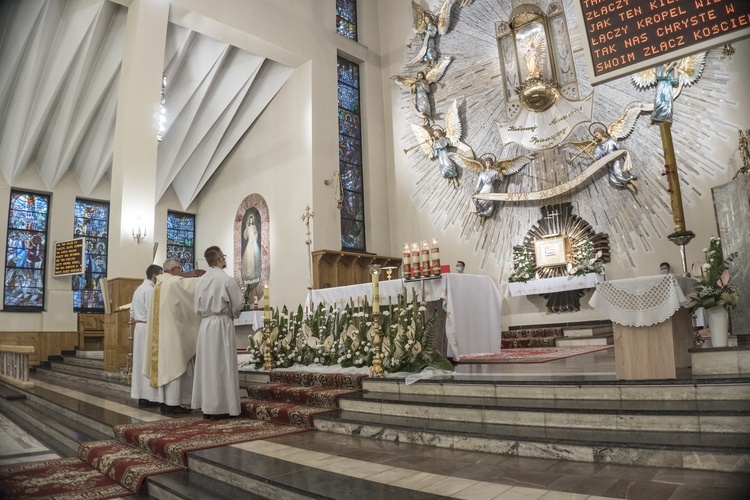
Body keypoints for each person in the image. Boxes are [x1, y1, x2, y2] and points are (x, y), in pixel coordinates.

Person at [192, 246, 244, 420]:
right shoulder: (226, 280)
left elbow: (196, 306)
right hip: (222, 324)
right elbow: (237, 304)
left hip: (206, 325)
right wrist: (233, 313)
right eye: (224, 256)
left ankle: (208, 406)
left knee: (208, 365)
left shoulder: (202, 280)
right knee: (223, 365)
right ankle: (223, 406)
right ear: (220, 259)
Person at [144, 258, 200, 414]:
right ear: (174, 269)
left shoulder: (159, 285)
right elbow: (194, 287)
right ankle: (172, 403)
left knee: (166, 368)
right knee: (175, 366)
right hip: (172, 334)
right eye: (180, 269)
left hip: (162, 334)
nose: (181, 272)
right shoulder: (174, 282)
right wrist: (210, 276)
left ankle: (164, 402)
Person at [130, 264, 162, 408]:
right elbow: (153, 311)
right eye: (160, 275)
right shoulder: (150, 290)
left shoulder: (139, 289)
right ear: (155, 275)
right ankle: (149, 396)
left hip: (139, 326)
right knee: (148, 362)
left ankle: (141, 395)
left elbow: (131, 311)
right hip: (148, 327)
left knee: (140, 362)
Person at [592, 126, 637, 192]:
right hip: (610, 164)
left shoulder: (610, 140)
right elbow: (597, 156)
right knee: (612, 180)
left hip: (616, 160)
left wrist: (622, 151)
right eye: (595, 136)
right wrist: (594, 156)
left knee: (618, 175)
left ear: (601, 133)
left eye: (597, 134)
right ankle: (628, 185)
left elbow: (619, 146)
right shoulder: (599, 146)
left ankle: (633, 182)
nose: (596, 137)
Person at [242, 213, 261, 284]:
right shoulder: (247, 227)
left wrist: (254, 234)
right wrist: (246, 229)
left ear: (252, 220)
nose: (250, 221)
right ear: (248, 220)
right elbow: (245, 236)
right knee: (248, 257)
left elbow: (256, 233)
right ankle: (248, 272)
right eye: (250, 220)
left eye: (251, 220)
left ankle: (252, 272)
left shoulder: (254, 226)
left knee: (252, 257)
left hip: (252, 242)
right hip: (249, 243)